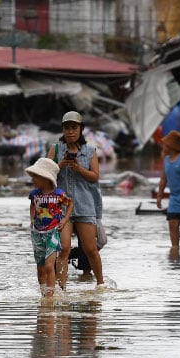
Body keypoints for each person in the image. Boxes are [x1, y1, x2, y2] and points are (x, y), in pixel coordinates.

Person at [47, 111, 105, 290]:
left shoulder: (90, 151)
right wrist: (59, 165)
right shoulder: (55, 149)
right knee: (63, 248)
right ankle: (62, 288)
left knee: (90, 249)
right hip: (61, 207)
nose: (70, 132)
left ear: (81, 129)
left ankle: (100, 284)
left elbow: (95, 177)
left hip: (85, 205)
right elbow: (45, 174)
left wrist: (79, 168)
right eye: (67, 128)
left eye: (74, 128)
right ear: (62, 130)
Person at [27, 157, 73, 298]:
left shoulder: (58, 194)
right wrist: (31, 219)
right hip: (37, 233)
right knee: (40, 267)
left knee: (49, 265)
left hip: (53, 232)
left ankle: (50, 296)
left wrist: (65, 220)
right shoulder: (35, 194)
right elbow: (33, 206)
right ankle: (43, 293)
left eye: (36, 177)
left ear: (46, 178)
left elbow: (70, 204)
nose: (33, 180)